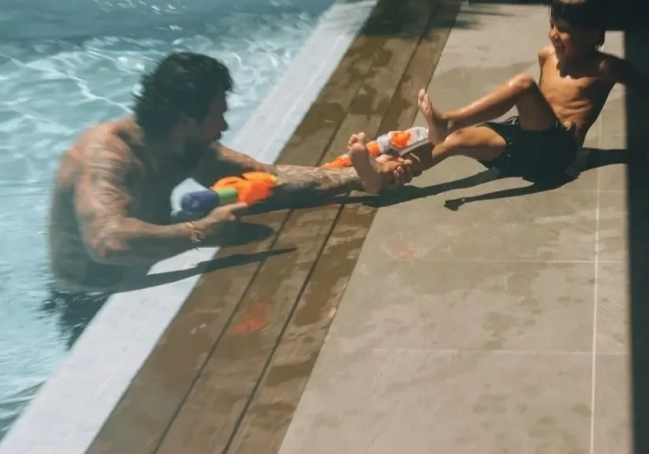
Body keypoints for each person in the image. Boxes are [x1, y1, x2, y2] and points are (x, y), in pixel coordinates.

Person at [48, 52, 412, 294]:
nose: (223, 126)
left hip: (136, 276)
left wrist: (360, 176)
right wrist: (200, 232)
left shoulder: (184, 145)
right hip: (88, 298)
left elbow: (269, 179)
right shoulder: (106, 156)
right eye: (216, 115)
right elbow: (107, 243)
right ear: (184, 120)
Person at [346, 0, 649, 182]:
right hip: (524, 143)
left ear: (592, 35)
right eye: (552, 25)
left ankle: (449, 120)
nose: (554, 35)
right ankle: (387, 174)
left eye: (565, 31)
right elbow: (536, 110)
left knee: (523, 85)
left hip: (557, 151)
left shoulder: (604, 67)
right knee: (455, 142)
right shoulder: (547, 55)